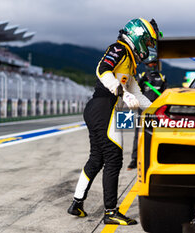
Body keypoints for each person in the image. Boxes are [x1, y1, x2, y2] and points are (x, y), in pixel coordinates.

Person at [67, 18, 158, 225]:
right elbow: (102, 69)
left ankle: (76, 203)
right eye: (149, 42)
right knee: (114, 159)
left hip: (102, 108)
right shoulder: (120, 49)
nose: (149, 48)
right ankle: (110, 212)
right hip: (105, 107)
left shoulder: (129, 62)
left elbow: (138, 94)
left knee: (97, 159)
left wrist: (160, 109)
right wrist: (122, 93)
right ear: (139, 37)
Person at [127, 56, 167, 170]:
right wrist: (140, 82)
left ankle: (159, 157)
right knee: (138, 134)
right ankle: (135, 159)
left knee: (158, 133)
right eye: (150, 63)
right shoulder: (141, 76)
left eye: (154, 63)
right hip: (143, 110)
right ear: (146, 65)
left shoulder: (162, 77)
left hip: (157, 110)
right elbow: (134, 91)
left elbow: (165, 94)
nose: (153, 65)